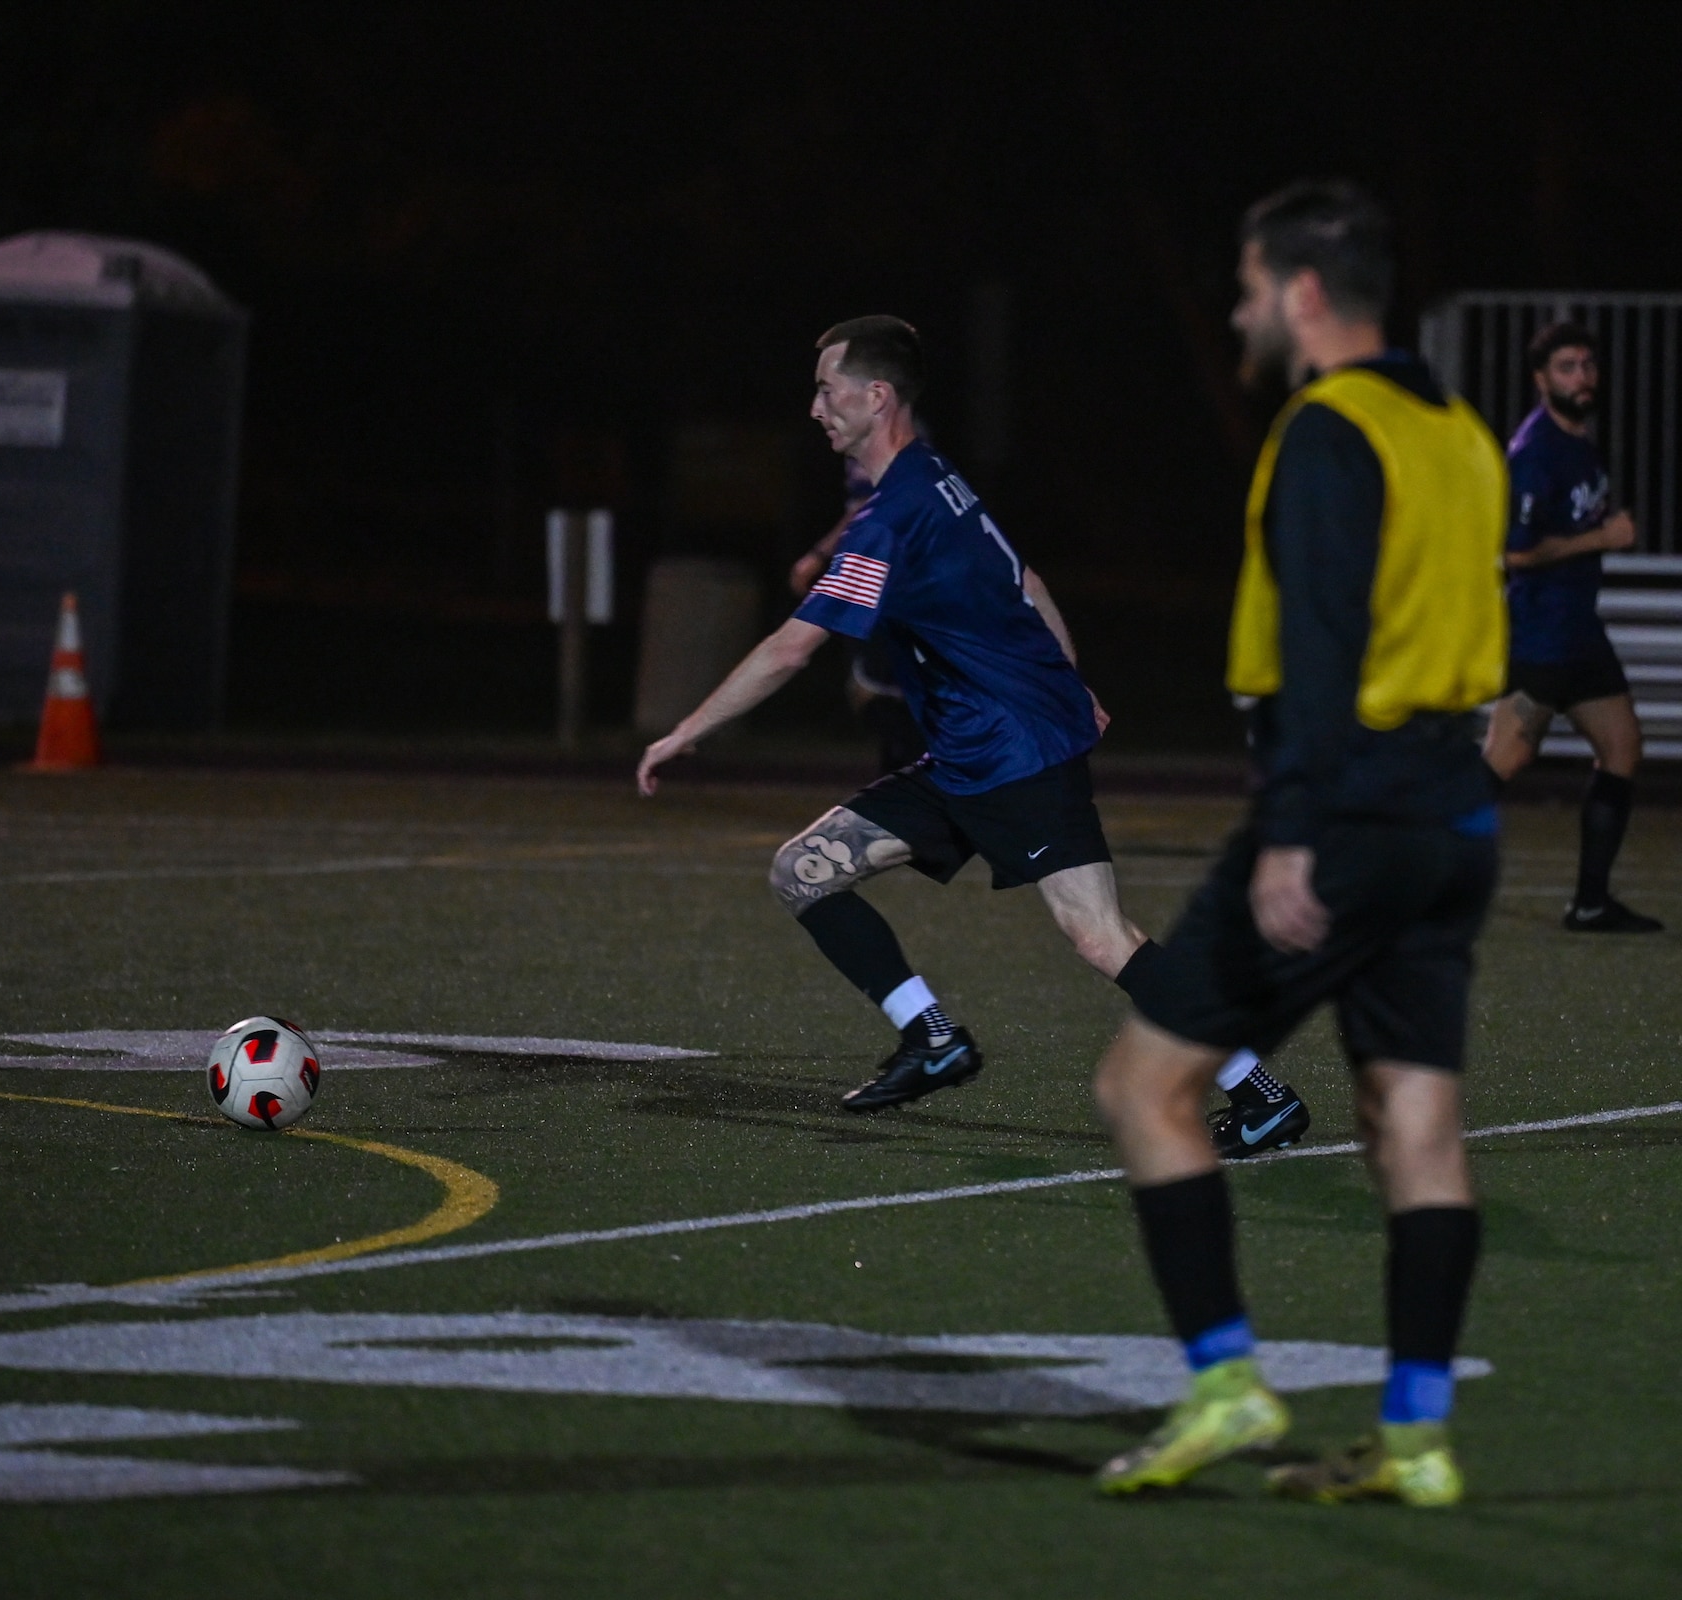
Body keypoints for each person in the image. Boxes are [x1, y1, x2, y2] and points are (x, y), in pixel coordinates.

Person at [1089, 181, 1506, 1507]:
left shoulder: (1328, 430)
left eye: (1250, 285)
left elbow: (1323, 649)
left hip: (1350, 813)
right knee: (1417, 1126)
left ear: (1305, 295)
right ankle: (1418, 1439)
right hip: (1455, 820)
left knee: (1143, 1089)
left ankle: (1225, 1385)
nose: (1238, 309)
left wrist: (1290, 836)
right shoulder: (1462, 433)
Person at [638, 316, 1288, 1129]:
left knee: (1099, 935)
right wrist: (1069, 681)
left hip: (1015, 755)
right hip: (971, 753)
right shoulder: (935, 478)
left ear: (875, 398)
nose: (815, 409)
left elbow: (790, 651)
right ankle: (932, 1036)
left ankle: (1259, 1093)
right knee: (803, 869)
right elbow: (1031, 583)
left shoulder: (894, 517)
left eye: (826, 389)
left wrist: (685, 731)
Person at [1482, 323, 1661, 932]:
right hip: (1544, 635)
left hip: (1581, 633)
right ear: (1540, 379)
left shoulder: (1582, 442)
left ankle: (1590, 902)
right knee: (1499, 765)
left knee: (1623, 748)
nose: (1581, 377)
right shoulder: (1534, 452)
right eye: (1566, 367)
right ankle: (1402, 885)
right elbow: (1516, 552)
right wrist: (1602, 538)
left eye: (1587, 365)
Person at [790, 461, 928, 774]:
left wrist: (818, 555)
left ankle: (917, 781)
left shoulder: (883, 436)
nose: (818, 411)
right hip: (914, 576)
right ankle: (907, 783)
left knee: (871, 688)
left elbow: (869, 506)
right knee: (894, 689)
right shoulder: (914, 443)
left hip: (888, 574)